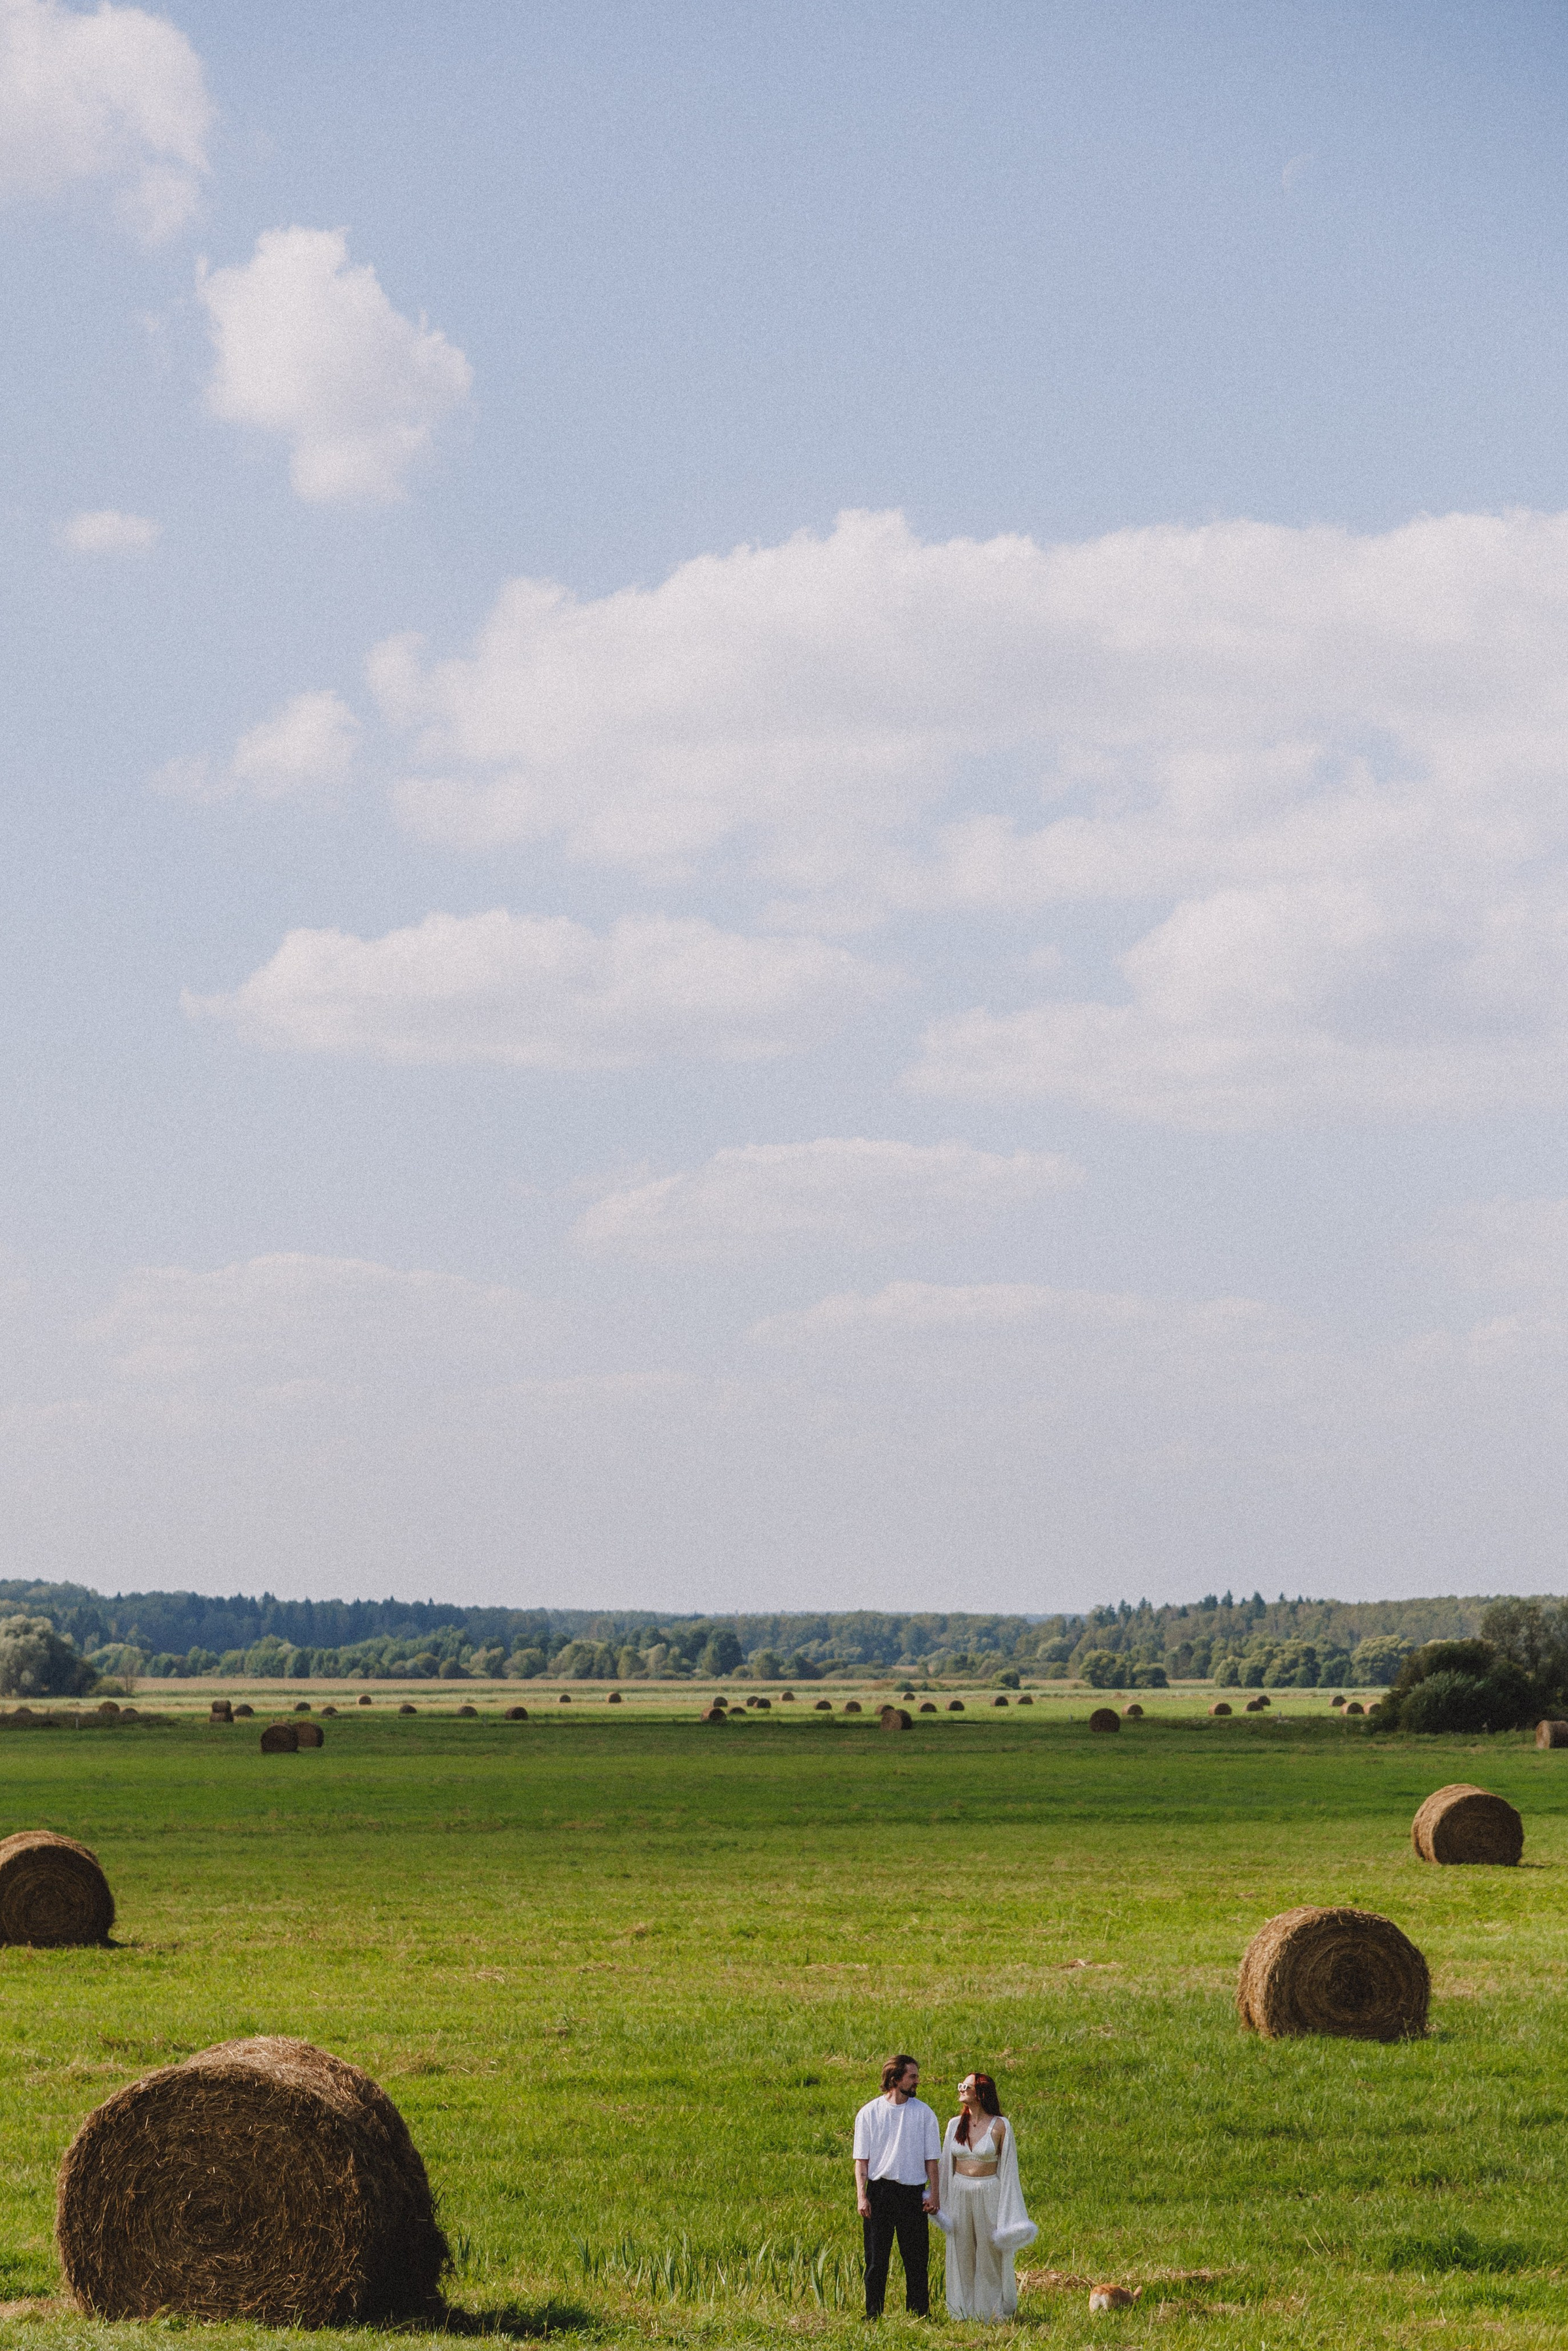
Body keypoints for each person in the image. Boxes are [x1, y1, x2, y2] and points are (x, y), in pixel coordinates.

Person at [934, 2070, 1037, 2321]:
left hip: (988, 2191)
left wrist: (1008, 2209)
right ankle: (962, 2310)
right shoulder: (953, 2125)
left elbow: (1009, 2169)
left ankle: (990, 2312)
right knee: (961, 2251)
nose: (961, 2089)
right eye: (961, 2085)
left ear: (981, 2093)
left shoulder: (1000, 2126)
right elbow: (944, 2166)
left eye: (966, 2086)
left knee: (989, 2252)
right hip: (960, 2191)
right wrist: (938, 2200)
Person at [853, 2053, 941, 2319]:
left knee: (916, 2260)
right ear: (895, 2079)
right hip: (879, 2193)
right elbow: (861, 2161)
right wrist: (861, 2197)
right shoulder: (869, 2113)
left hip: (912, 2194)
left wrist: (933, 2194)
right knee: (876, 2260)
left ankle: (919, 2314)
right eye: (912, 2076)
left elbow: (932, 2161)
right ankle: (873, 2314)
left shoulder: (924, 2114)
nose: (917, 2081)